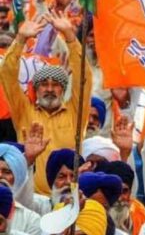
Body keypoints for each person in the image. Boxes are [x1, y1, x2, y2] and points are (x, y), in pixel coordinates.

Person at [0, 12, 91, 194]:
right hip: (30, 197)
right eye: (44, 84)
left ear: (63, 89)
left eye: (56, 84)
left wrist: (69, 36)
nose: (50, 89)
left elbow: (85, 77)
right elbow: (7, 75)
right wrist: (20, 39)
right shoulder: (23, 111)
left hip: (67, 196)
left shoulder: (76, 112)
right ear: (36, 89)